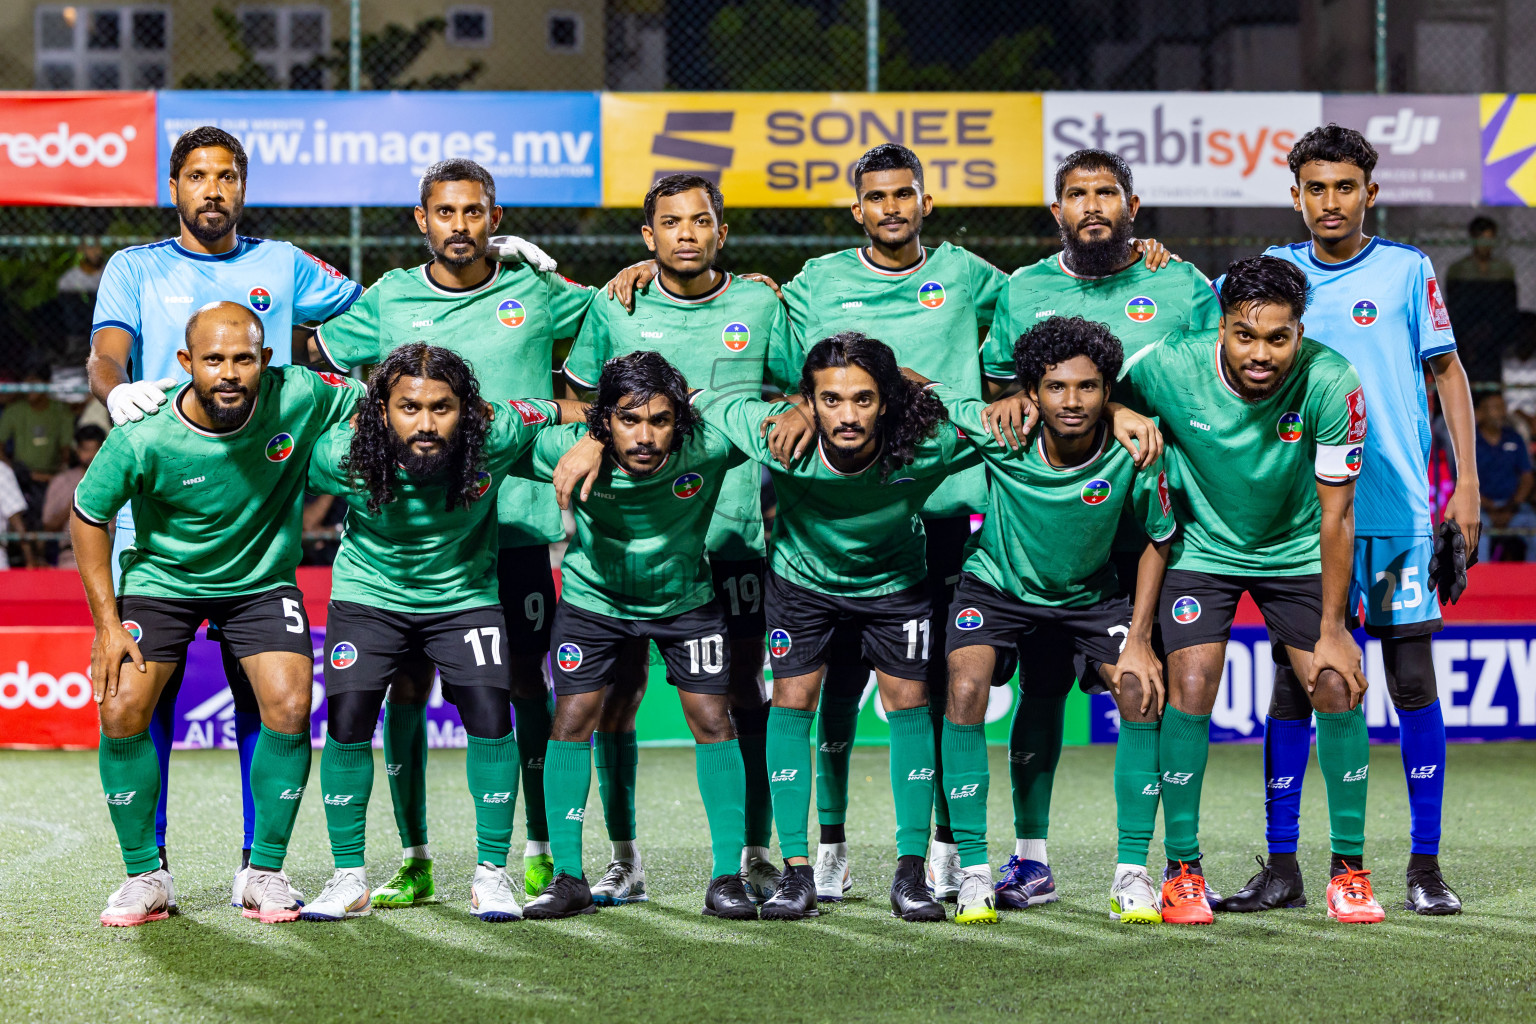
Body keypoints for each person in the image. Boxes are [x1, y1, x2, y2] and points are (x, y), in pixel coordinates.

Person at [85, 126, 362, 909]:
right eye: (199, 176)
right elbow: (106, 356)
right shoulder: (135, 267)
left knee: (270, 701)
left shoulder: (285, 264)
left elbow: (373, 315)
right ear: (174, 186)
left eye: (228, 176)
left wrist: (470, 277)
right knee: (142, 705)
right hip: (155, 533)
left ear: (243, 186)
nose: (214, 189)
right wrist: (113, 390)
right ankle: (148, 871)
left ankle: (258, 865)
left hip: (257, 527)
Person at [311, 158, 595, 904]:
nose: (460, 225)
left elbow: (617, 320)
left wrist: (609, 279)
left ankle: (536, 850)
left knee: (519, 690)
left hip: (514, 528)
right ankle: (415, 857)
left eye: (474, 212)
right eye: (445, 212)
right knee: (402, 690)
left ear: (495, 220)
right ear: (422, 220)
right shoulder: (389, 295)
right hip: (411, 534)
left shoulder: (536, 290)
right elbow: (317, 356)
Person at [974, 148, 1219, 909]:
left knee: (1156, 690)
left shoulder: (1181, 283)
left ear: (1132, 207)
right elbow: (1009, 395)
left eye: (1106, 193)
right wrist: (1107, 409)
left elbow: (1217, 382)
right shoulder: (1023, 290)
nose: (1092, 206)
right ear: (1057, 211)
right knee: (1042, 689)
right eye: (1077, 194)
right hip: (1060, 529)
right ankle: (1030, 859)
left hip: (1154, 523)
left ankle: (1166, 865)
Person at [1247, 124, 1478, 916]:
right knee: (1295, 685)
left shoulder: (1408, 270)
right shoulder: (1275, 273)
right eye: (1316, 187)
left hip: (1396, 513)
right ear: (1296, 196)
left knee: (1411, 681)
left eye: (1345, 186)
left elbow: (1447, 372)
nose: (1331, 201)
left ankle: (1425, 866)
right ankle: (1283, 865)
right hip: (1306, 521)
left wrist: (1467, 486)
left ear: (1369, 193)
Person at [559, 172, 797, 905]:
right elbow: (576, 399)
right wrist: (594, 438)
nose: (686, 234)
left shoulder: (760, 303)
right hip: (634, 541)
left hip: (735, 537)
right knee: (616, 700)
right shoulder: (617, 303)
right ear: (649, 235)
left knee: (741, 698)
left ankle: (752, 854)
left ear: (721, 231)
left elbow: (800, 393)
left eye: (699, 221)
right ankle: (623, 860)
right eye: (671, 222)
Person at [1121, 255, 1379, 926]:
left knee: (1335, 683)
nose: (1260, 353)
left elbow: (1338, 515)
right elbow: (1094, 394)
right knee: (1191, 684)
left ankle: (1349, 874)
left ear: (1299, 333)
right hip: (1203, 548)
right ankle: (1183, 872)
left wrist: (1333, 629)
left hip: (1295, 550)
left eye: (1277, 338)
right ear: (1222, 329)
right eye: (1244, 335)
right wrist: (1121, 413)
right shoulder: (1169, 364)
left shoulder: (1332, 382)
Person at [301, 344, 572, 923]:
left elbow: (560, 409)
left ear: (467, 410)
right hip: (369, 598)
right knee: (347, 723)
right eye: (409, 407)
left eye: (441, 408)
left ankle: (491, 874)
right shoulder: (339, 454)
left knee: (493, 718)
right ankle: (349, 875)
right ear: (381, 411)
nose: (425, 423)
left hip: (464, 599)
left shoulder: (495, 436)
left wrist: (597, 434)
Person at [921, 315, 1173, 926]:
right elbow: (918, 384)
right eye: (1056, 387)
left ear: (1108, 392)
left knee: (1140, 693)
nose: (1072, 401)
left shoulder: (1135, 449)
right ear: (1031, 391)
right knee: (964, 688)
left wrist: (1140, 640)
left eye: (1088, 387)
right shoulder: (1003, 430)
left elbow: (1157, 538)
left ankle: (1132, 873)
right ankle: (974, 871)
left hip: (1089, 596)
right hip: (997, 587)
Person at [512, 351, 756, 922]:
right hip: (594, 603)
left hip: (685, 602)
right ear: (605, 420)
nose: (644, 436)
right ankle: (570, 876)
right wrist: (583, 435)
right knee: (574, 719)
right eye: (628, 420)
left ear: (679, 421)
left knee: (713, 720)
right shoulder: (564, 449)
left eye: (659, 420)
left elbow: (784, 419)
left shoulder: (710, 446)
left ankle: (728, 876)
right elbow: (489, 438)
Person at [1444, 216, 1518, 391]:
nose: (1486, 245)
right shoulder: (1459, 269)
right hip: (1466, 331)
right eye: (1482, 239)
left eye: (1490, 240)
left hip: (1495, 331)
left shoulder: (1503, 270)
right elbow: (1454, 305)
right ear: (1473, 239)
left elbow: (1509, 304)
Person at [1474, 391, 1536, 562]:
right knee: (1475, 530)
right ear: (1480, 413)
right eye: (1495, 408)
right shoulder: (1471, 441)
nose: (1501, 413)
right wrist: (1489, 507)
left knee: (1533, 523)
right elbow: (1461, 480)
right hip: (1481, 508)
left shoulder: (1514, 437)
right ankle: (1481, 577)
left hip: (1513, 507)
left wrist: (1511, 506)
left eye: (1503, 407)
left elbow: (1527, 477)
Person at [41, 424, 107, 569]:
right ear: (77, 450)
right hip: (71, 557)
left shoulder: (115, 479)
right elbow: (48, 526)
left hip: (112, 555)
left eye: (95, 449)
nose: (91, 455)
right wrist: (75, 505)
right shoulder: (62, 481)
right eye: (86, 450)